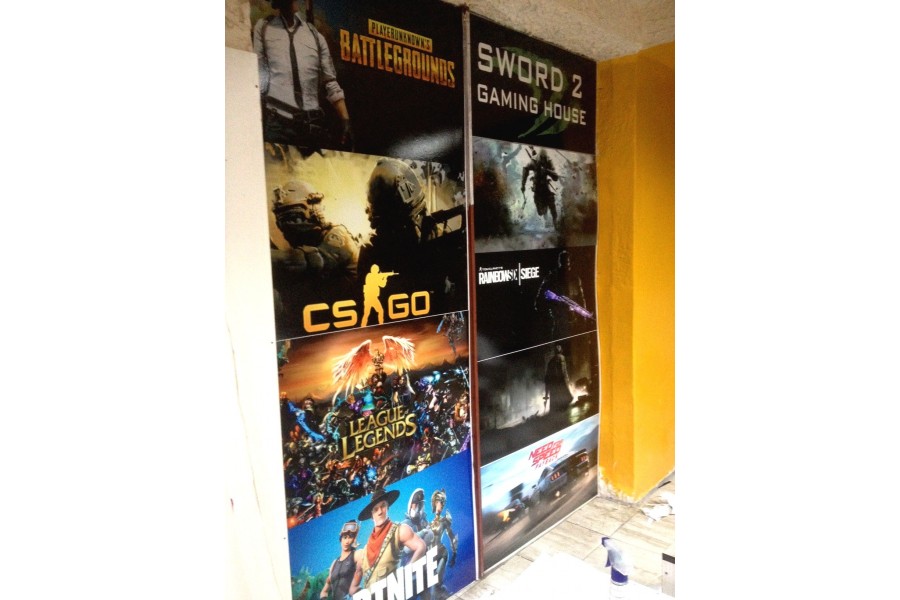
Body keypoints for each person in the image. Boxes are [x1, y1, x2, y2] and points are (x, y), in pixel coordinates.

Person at [253, 0, 353, 153]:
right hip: (279, 125)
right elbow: (256, 75)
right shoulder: (264, 28)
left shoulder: (315, 35)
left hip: (312, 127)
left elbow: (330, 82)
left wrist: (345, 120)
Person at [269, 179, 361, 338]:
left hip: (347, 327)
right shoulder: (303, 245)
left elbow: (306, 261)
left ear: (312, 211)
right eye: (283, 220)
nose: (288, 225)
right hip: (317, 326)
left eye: (294, 217)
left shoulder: (338, 235)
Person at [350, 488, 426, 595]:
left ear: (387, 507)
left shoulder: (400, 530)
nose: (380, 511)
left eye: (383, 506)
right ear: (372, 515)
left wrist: (407, 572)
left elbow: (421, 546)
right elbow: (353, 587)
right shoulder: (364, 551)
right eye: (376, 509)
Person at [428, 489, 458, 600]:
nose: (442, 505)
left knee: (436, 581)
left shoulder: (445, 520)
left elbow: (452, 537)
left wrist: (454, 553)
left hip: (442, 554)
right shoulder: (429, 523)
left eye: (444, 503)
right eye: (441, 502)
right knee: (432, 586)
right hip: (431, 556)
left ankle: (446, 595)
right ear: (436, 502)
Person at [320, 520, 361, 600]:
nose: (347, 541)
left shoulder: (356, 555)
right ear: (341, 539)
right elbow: (324, 591)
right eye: (345, 537)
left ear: (354, 539)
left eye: (350, 537)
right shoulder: (334, 563)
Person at [521, 146, 560, 228]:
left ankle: (555, 222)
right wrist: (523, 185)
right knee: (541, 211)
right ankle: (546, 216)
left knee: (551, 202)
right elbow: (525, 169)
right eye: (542, 158)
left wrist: (547, 171)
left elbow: (555, 177)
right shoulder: (534, 161)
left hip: (545, 187)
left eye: (544, 159)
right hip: (537, 188)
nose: (543, 160)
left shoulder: (548, 161)